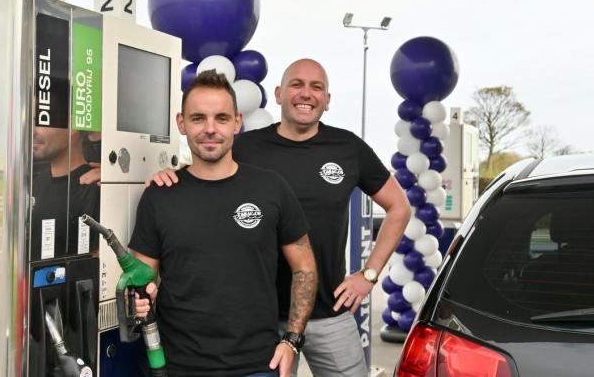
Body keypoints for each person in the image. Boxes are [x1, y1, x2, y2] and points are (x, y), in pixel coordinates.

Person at [150, 59, 410, 377]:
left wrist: (367, 276)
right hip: (261, 323)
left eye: (317, 87)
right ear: (278, 94)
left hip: (330, 313)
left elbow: (399, 207)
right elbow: (202, 173)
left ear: (327, 100)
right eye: (296, 84)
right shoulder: (246, 146)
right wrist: (167, 177)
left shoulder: (347, 148)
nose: (306, 94)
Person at [131, 71, 318, 377]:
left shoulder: (271, 188)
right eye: (197, 118)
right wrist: (137, 296)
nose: (210, 129)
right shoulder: (159, 196)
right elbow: (141, 278)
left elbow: (305, 268)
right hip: (178, 367)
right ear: (181, 123)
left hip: (257, 366)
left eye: (220, 118)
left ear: (237, 122)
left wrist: (293, 340)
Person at [31, 126, 100, 259]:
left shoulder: (94, 187)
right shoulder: (38, 183)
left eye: (43, 121)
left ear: (73, 128)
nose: (33, 131)